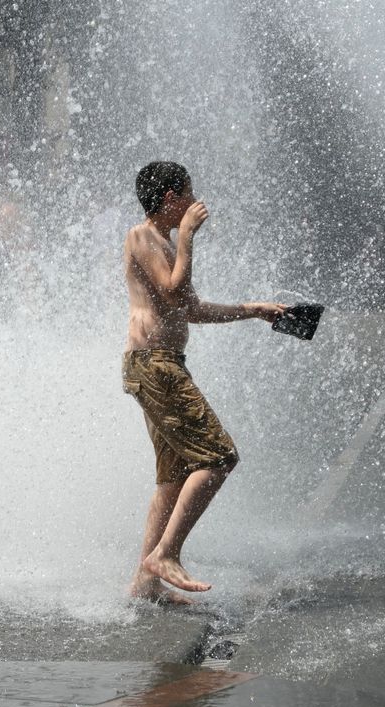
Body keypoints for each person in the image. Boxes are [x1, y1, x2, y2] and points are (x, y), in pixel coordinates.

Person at [122, 161, 286, 603]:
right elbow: (176, 293)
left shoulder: (162, 243)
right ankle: (166, 555)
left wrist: (252, 309)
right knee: (219, 456)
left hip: (159, 364)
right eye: (189, 194)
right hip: (155, 365)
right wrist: (189, 235)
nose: (196, 203)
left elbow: (190, 308)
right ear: (172, 197)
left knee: (173, 478)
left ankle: (145, 584)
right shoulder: (143, 237)